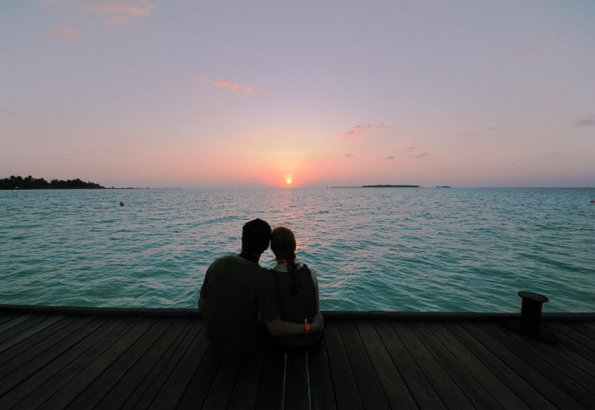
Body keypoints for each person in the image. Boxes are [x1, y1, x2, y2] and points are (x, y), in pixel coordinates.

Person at [198, 218, 323, 354]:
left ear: (242, 239)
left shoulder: (217, 264)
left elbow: (201, 306)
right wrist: (311, 327)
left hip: (213, 340)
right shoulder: (263, 278)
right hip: (244, 347)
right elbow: (275, 327)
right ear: (266, 246)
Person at [270, 226, 323, 347]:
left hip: (284, 342)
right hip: (313, 338)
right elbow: (316, 309)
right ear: (294, 246)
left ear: (272, 249)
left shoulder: (270, 278)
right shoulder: (310, 272)